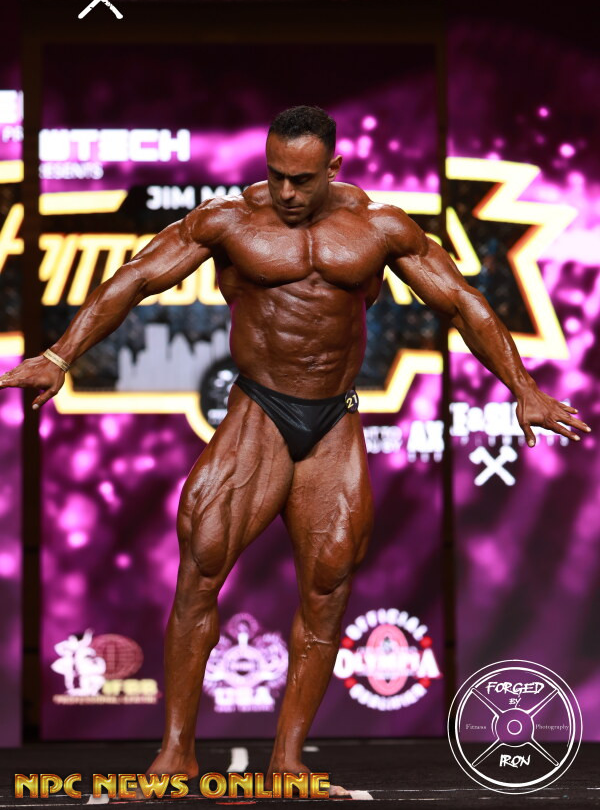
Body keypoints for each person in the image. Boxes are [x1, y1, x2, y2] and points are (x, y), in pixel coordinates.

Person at [1, 105, 590, 795]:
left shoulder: (380, 228)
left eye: (302, 179)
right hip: (259, 410)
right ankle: (176, 755)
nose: (285, 191)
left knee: (328, 588)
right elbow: (135, 277)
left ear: (333, 167)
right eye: (276, 174)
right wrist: (58, 356)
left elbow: (462, 301)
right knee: (201, 567)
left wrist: (523, 388)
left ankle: (287, 763)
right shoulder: (229, 221)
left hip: (333, 419)